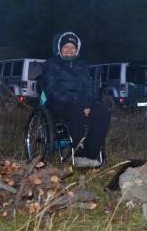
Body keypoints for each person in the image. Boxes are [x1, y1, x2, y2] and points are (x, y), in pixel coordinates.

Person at [41, 31, 112, 168]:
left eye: (73, 47)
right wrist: (78, 102)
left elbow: (91, 88)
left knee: (103, 111)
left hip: (81, 104)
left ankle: (91, 155)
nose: (69, 50)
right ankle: (79, 155)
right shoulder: (51, 65)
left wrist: (88, 104)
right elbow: (52, 91)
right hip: (58, 104)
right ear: (59, 48)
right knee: (75, 110)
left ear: (77, 50)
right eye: (66, 47)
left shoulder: (82, 66)